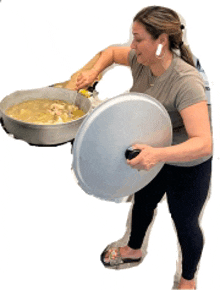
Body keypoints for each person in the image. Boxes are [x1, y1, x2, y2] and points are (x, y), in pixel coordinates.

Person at [75, 6, 212, 290]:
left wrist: (157, 155)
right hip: (154, 152)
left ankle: (188, 280)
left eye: (138, 39)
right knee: (144, 202)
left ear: (161, 41)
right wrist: (93, 72)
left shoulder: (186, 82)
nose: (132, 45)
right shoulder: (142, 60)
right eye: (132, 38)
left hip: (187, 162)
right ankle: (134, 248)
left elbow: (204, 143)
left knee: (185, 222)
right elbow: (112, 52)